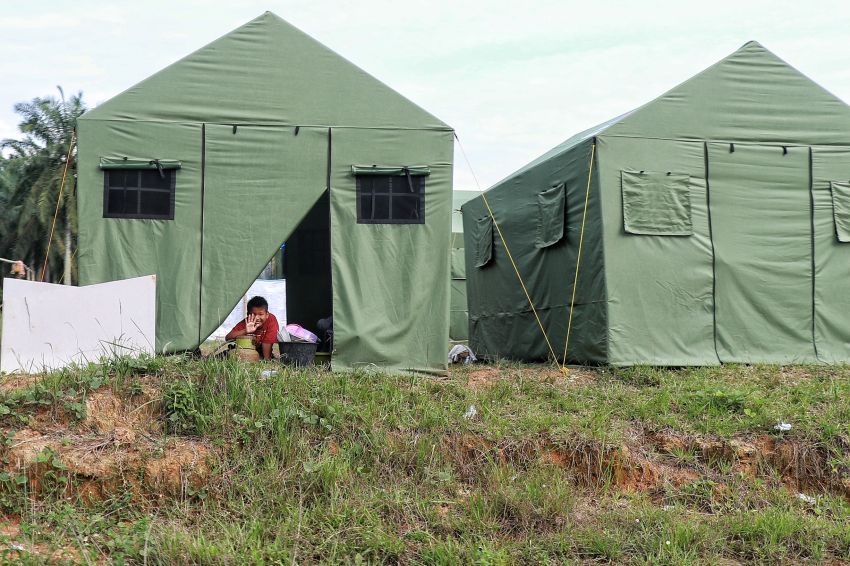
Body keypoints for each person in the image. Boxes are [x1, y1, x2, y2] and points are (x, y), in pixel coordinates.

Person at [225, 296, 280, 361]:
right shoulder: (246, 323)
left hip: (261, 352)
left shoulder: (271, 320)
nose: (257, 318)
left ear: (267, 314)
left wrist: (267, 360)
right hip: (243, 352)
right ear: (248, 314)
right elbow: (228, 338)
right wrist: (245, 331)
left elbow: (267, 345)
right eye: (253, 314)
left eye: (261, 314)